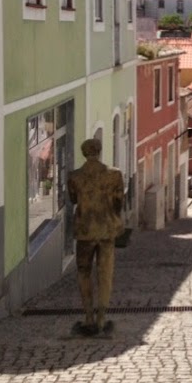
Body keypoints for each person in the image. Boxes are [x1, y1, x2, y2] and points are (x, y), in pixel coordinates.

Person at [67, 138, 124, 338]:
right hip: (107, 230)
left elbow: (73, 200)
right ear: (99, 151)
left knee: (84, 272)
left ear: (84, 153)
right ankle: (102, 317)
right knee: (105, 274)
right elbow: (119, 202)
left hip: (85, 231)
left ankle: (88, 316)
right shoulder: (114, 175)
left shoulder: (74, 176)